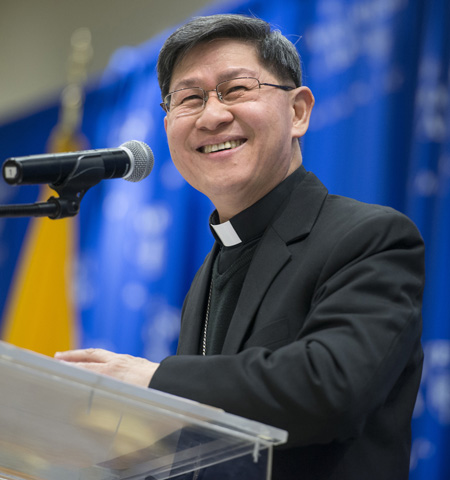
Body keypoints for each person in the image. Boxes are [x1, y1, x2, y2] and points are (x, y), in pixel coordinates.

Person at [55, 14, 425, 480]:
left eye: (236, 90)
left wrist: (151, 379)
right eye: (190, 98)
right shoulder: (210, 270)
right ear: (169, 126)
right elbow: (212, 438)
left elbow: (331, 387)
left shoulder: (369, 237)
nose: (212, 116)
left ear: (298, 112)